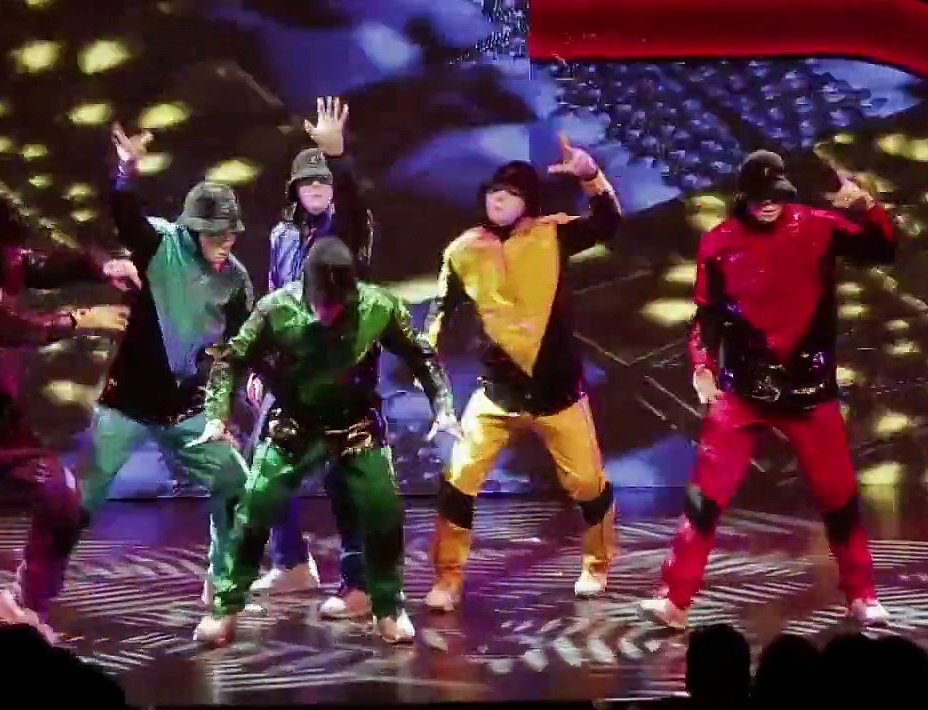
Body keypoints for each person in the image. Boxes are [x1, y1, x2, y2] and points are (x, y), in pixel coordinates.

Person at [639, 150, 896, 630]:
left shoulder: (817, 225)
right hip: (741, 391)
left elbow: (881, 249)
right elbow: (706, 316)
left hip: (809, 390)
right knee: (705, 496)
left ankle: (862, 594)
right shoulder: (719, 242)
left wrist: (865, 207)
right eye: (758, 198)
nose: (768, 205)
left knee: (838, 498)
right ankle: (674, 598)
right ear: (744, 197)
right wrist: (701, 366)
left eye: (775, 196)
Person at [189, 237, 460, 645]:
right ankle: (226, 607)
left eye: (336, 305)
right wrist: (217, 415)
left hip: (355, 424)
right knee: (256, 504)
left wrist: (443, 407)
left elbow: (420, 353)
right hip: (294, 423)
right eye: (320, 303)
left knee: (382, 509)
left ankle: (388, 607)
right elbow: (232, 359)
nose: (327, 312)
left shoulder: (378, 306)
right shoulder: (277, 309)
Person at [0, 194, 137, 644]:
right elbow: (1, 324)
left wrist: (103, 267)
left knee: (64, 499)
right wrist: (79, 319)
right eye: (9, 246)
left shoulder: (7, 265)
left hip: (4, 424)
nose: (18, 254)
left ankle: (27, 602)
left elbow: (51, 265)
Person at [423, 136, 623, 613]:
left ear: (528, 202)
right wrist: (428, 376)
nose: (498, 199)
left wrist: (590, 175)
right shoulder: (462, 251)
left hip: (558, 392)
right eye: (493, 191)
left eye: (510, 194)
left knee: (588, 484)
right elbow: (437, 318)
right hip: (497, 394)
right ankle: (448, 577)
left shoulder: (553, 234)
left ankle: (597, 565)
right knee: (458, 477)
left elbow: (608, 222)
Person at [76, 123, 254, 604]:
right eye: (215, 233)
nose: (226, 241)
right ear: (194, 230)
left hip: (183, 406)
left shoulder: (236, 280)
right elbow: (125, 215)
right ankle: (32, 589)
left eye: (231, 232)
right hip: (127, 402)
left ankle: (222, 582)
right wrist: (126, 171)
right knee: (80, 500)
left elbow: (240, 346)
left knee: (234, 479)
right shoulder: (161, 244)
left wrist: (225, 403)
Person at [247, 97, 378, 620]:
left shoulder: (347, 228)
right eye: (310, 181)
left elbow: (353, 201)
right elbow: (273, 299)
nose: (319, 187)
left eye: (325, 181)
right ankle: (291, 564)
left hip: (341, 372)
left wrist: (338, 156)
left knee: (344, 476)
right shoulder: (281, 236)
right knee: (265, 465)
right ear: (296, 190)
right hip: (291, 373)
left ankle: (360, 585)